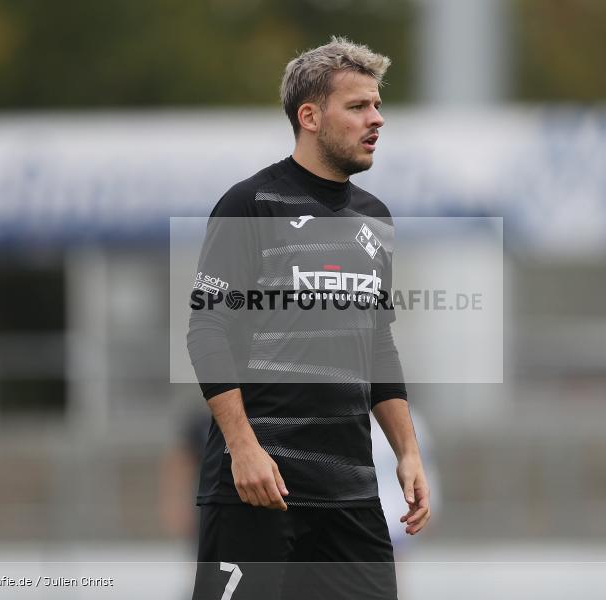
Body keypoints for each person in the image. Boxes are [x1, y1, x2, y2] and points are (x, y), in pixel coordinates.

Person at [187, 37, 430, 600]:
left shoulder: (374, 218)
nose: (377, 119)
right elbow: (207, 329)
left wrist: (407, 451)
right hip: (259, 489)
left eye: (377, 105)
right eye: (358, 106)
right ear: (310, 116)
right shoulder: (251, 204)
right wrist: (243, 449)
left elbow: (379, 346)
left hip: (350, 497)